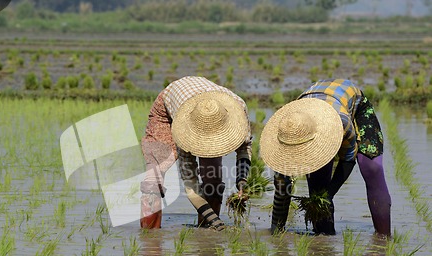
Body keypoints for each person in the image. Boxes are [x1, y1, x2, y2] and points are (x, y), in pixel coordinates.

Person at [260, 79, 391, 236]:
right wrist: (276, 230)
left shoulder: (342, 122)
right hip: (310, 108)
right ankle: (324, 238)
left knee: (371, 167)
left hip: (351, 105)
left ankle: (383, 239)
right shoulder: (287, 130)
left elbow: (348, 159)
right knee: (318, 184)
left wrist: (329, 194)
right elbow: (282, 187)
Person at [140, 76, 252, 230]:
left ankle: (206, 229)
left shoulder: (238, 109)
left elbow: (244, 148)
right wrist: (215, 220)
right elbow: (190, 181)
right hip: (171, 105)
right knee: (155, 175)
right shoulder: (184, 128)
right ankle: (149, 235)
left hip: (207, 105)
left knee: (213, 178)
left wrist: (242, 181)